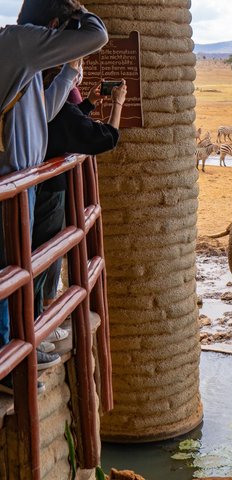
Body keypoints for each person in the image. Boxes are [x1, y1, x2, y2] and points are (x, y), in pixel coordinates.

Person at [0, 0, 108, 394]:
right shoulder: (19, 42)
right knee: (7, 271)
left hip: (20, 181)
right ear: (54, 24)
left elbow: (41, 116)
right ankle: (10, 364)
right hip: (8, 182)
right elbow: (97, 35)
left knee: (16, 268)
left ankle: (16, 351)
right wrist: (80, 13)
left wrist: (68, 73)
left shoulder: (21, 57)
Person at [33, 68, 126, 352]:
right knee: (43, 256)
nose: (79, 75)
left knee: (44, 254)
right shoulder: (60, 109)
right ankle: (38, 327)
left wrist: (87, 104)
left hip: (41, 189)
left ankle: (41, 320)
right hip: (51, 192)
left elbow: (67, 123)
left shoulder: (41, 101)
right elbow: (106, 137)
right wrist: (118, 104)